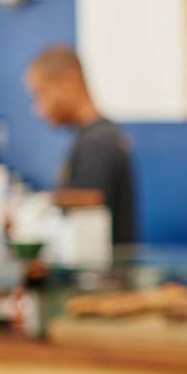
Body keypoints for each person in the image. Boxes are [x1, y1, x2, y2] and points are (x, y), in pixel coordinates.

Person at [24, 46, 136, 244]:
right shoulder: (94, 137)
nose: (38, 109)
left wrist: (35, 205)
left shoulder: (98, 141)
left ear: (68, 82)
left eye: (40, 93)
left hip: (103, 273)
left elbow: (91, 199)